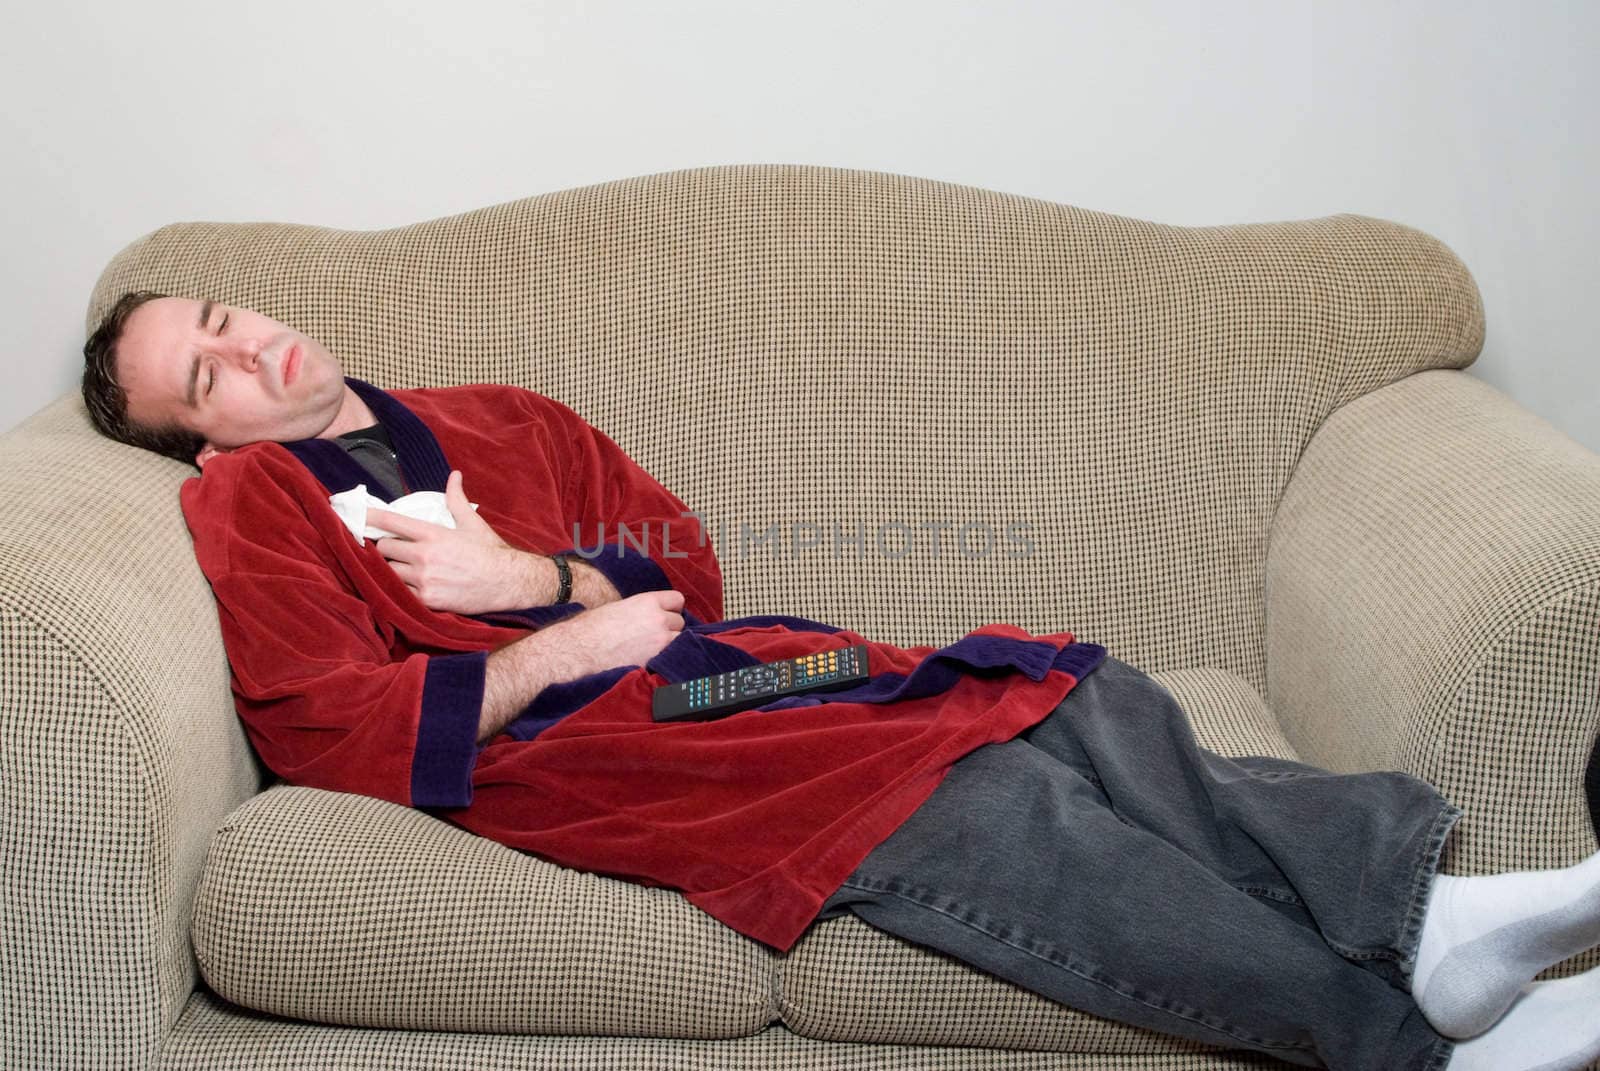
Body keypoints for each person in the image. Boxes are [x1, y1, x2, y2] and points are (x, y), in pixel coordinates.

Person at [82, 290, 1600, 1071]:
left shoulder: (503, 417)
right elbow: (329, 727)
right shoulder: (251, 509)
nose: (248, 350)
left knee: (1079, 695)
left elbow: (679, 558)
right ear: (204, 442)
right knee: (994, 814)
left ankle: (1425, 914)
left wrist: (532, 583)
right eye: (203, 377)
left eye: (223, 319)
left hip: (716, 672)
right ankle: (1410, 1043)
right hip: (597, 755)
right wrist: (556, 648)